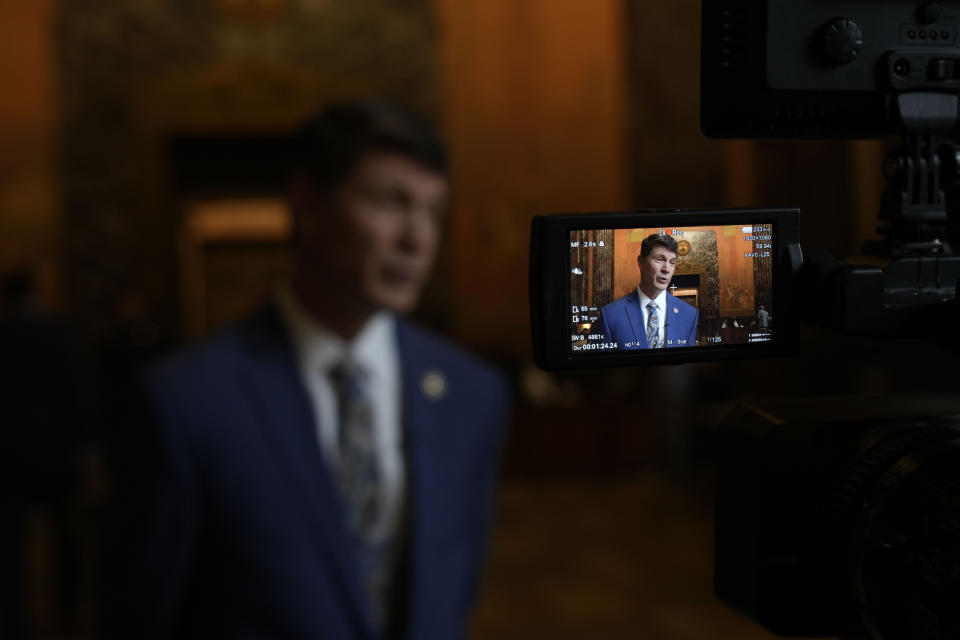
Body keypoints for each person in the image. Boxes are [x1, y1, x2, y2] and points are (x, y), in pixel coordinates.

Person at [102, 99, 512, 639]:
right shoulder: (185, 401)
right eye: (391, 204)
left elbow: (453, 590)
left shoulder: (470, 392)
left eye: (433, 212)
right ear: (307, 207)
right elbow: (140, 615)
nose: (418, 240)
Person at [599, 233, 698, 349]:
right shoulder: (610, 315)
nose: (666, 269)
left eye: (672, 262)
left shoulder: (689, 314)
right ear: (641, 262)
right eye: (659, 260)